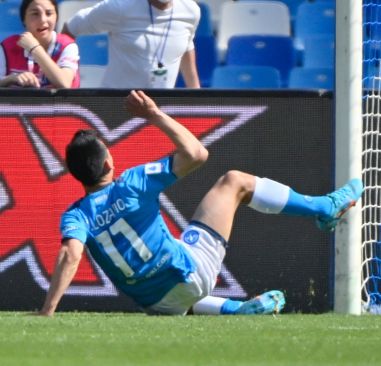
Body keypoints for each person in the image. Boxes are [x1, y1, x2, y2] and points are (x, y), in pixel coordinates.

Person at [38, 90, 363, 316]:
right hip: (190, 274)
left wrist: (47, 311)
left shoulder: (76, 215)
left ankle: (237, 309)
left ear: (74, 174)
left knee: (172, 279)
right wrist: (153, 114)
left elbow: (71, 253)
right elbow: (196, 154)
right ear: (109, 161)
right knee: (234, 181)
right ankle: (322, 207)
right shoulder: (132, 182)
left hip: (154, 304)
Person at [61, 0, 200, 89]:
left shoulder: (191, 11)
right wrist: (67, 74)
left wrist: (196, 96)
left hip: (160, 112)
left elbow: (187, 46)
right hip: (117, 107)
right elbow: (71, 28)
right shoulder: (118, 7)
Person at [0, 0, 80, 89]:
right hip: (20, 103)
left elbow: (64, 84)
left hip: (60, 103)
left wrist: (35, 48)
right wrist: (11, 78)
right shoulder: (7, 46)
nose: (43, 20)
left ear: (56, 18)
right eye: (35, 14)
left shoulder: (68, 46)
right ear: (24, 20)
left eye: (49, 13)